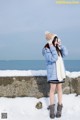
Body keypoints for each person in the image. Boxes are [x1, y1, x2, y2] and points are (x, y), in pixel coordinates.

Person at [42, 31, 68, 119]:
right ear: (51, 40)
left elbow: (66, 54)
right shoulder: (46, 49)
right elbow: (53, 58)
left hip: (59, 73)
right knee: (52, 90)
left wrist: (61, 46)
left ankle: (59, 108)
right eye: (55, 40)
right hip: (53, 73)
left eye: (57, 40)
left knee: (60, 89)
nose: (57, 41)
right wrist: (52, 46)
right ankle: (52, 109)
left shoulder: (58, 48)